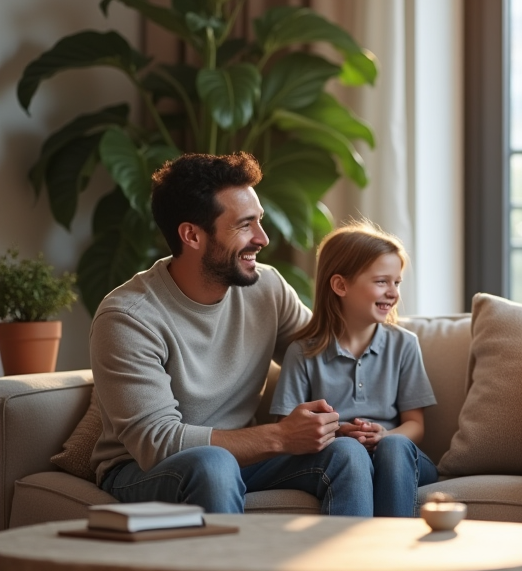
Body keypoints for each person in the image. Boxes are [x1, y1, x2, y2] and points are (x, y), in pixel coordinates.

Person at [90, 152, 375, 515]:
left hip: (241, 458)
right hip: (142, 470)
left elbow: (323, 354)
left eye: (260, 221)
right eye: (244, 225)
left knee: (345, 454)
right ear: (191, 235)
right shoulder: (129, 317)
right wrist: (281, 436)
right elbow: (157, 441)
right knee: (213, 464)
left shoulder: (266, 287)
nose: (263, 238)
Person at [269, 222, 438, 517]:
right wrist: (335, 435)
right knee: (349, 452)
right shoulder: (303, 352)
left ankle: (393, 550)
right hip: (334, 457)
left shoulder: (405, 345)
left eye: (397, 282)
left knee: (395, 448)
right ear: (340, 285)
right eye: (382, 282)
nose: (393, 293)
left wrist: (385, 435)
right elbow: (288, 429)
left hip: (396, 457)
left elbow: (416, 425)